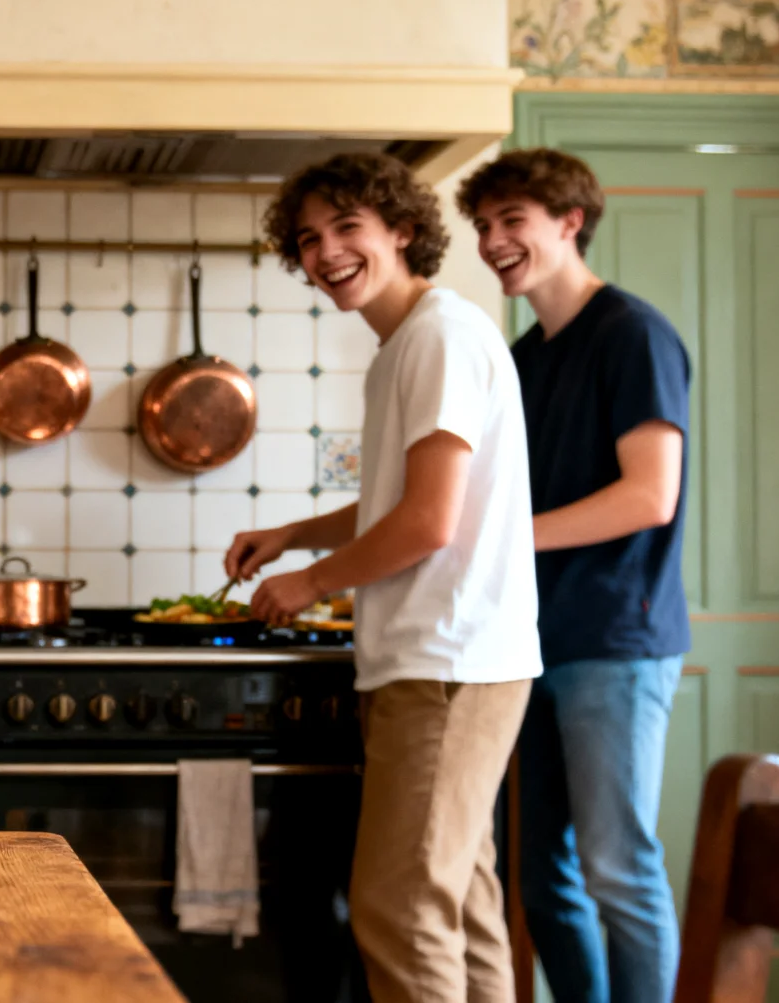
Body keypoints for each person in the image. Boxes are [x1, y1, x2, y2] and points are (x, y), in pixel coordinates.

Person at [224, 153, 542, 1002]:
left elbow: (429, 520)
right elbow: (404, 499)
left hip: (446, 661)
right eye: (308, 239)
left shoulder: (439, 335)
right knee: (460, 905)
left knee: (398, 908)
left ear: (402, 230)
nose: (326, 252)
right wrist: (294, 535)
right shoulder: (412, 342)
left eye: (346, 227)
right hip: (451, 659)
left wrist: (312, 580)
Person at [460, 148, 690, 1003]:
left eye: (512, 220)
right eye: (484, 225)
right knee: (540, 876)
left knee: (617, 867)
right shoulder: (525, 357)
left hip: (615, 641)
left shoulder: (632, 333)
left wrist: (502, 540)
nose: (493, 240)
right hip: (531, 641)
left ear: (571, 221)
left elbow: (650, 495)